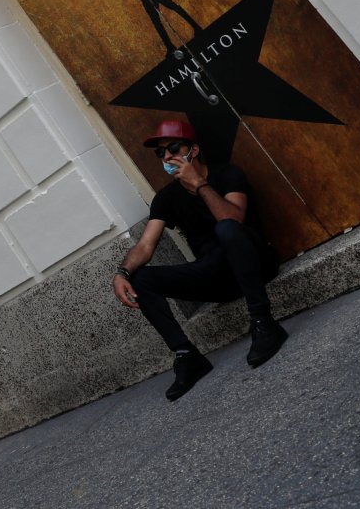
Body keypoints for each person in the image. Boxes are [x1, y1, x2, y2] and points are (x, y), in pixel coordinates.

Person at [112, 119, 288, 400]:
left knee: (226, 228)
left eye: (172, 148)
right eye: (161, 153)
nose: (167, 157)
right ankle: (187, 356)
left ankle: (264, 324)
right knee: (140, 277)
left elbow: (232, 218)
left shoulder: (227, 174)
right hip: (217, 278)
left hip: (255, 264)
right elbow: (145, 245)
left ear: (193, 150)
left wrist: (199, 184)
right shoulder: (166, 199)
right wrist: (122, 272)